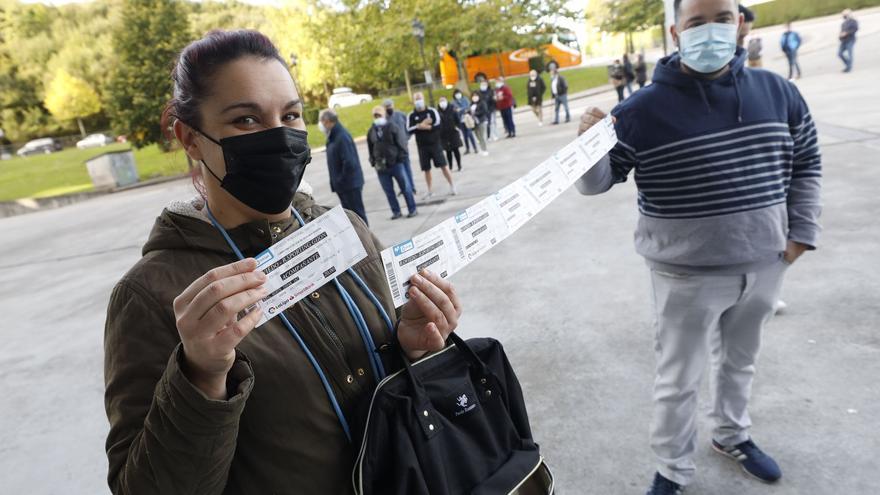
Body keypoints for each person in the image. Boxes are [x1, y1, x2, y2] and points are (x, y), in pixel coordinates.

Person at [104, 29, 463, 494]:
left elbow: (411, 392)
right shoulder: (151, 295)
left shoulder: (347, 230)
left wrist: (418, 348)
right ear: (190, 139)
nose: (279, 135)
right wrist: (202, 376)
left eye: (291, 115)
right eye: (246, 121)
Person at [575, 0, 822, 493]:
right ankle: (672, 468)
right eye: (696, 23)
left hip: (766, 264)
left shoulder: (779, 92)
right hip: (685, 277)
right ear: (675, 32)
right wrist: (588, 145)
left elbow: (807, 163)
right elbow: (595, 184)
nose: (710, 31)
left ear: (739, 24)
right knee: (678, 380)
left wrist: (799, 237)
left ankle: (732, 435)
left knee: (740, 362)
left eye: (722, 19)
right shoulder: (640, 110)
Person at [367, 105, 417, 219]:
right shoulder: (371, 131)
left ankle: (412, 209)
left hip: (396, 164)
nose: (377, 117)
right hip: (381, 167)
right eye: (375, 115)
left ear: (384, 115)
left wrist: (400, 158)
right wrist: (373, 161)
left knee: (405, 188)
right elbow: (370, 148)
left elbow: (401, 144)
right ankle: (396, 211)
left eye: (379, 115)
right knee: (389, 191)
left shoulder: (392, 127)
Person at [319, 110, 367, 225]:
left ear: (327, 121)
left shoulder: (341, 136)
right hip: (344, 186)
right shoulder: (333, 136)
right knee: (352, 219)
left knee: (358, 217)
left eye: (322, 122)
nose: (321, 125)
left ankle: (367, 241)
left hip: (350, 185)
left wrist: (340, 180)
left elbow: (349, 162)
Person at [407, 91, 456, 199]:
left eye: (420, 98)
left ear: (423, 99)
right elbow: (409, 129)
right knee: (426, 169)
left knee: (443, 166)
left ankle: (452, 186)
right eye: (416, 99)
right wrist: (421, 125)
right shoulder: (411, 115)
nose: (418, 101)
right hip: (422, 146)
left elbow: (438, 124)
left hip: (435, 144)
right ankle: (430, 190)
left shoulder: (432, 111)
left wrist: (427, 127)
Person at [382, 98, 416, 194]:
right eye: (387, 106)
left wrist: (407, 138)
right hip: (393, 149)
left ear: (393, 105)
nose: (389, 108)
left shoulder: (401, 115)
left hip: (403, 146)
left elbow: (408, 127)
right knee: (399, 170)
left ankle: (412, 187)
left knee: (407, 167)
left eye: (390, 106)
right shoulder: (384, 119)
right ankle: (404, 188)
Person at [437, 96, 464, 171]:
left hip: (453, 133)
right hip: (444, 135)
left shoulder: (452, 109)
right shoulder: (438, 112)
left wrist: (458, 128)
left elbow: (458, 120)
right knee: (448, 151)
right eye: (440, 101)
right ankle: (450, 166)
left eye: (443, 100)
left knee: (456, 150)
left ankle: (459, 165)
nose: (442, 103)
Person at [452, 89, 478, 154]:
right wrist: (463, 109)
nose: (458, 95)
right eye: (456, 94)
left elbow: (468, 107)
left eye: (459, 93)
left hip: (467, 119)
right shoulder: (453, 102)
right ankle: (467, 149)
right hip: (460, 120)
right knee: (464, 135)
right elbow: (455, 110)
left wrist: (461, 109)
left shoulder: (465, 99)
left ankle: (475, 148)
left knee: (470, 134)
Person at [470, 92, 490, 156]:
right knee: (477, 136)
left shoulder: (482, 103)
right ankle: (481, 148)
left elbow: (484, 111)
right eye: (473, 96)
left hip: (481, 121)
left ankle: (485, 149)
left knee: (481, 136)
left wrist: (475, 113)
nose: (474, 97)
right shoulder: (471, 104)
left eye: (476, 96)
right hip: (474, 122)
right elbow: (470, 111)